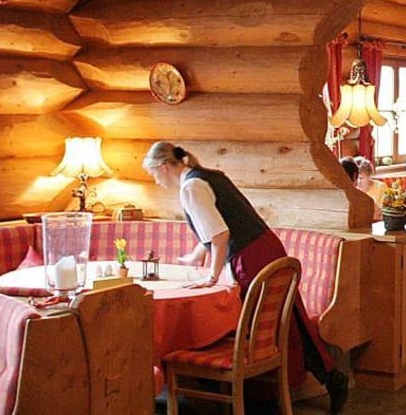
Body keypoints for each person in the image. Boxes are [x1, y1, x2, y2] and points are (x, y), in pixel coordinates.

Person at [142, 142, 349, 414]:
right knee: (286, 323)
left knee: (269, 326)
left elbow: (220, 234)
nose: (156, 181)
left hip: (250, 256)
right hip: (264, 247)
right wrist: (195, 256)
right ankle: (317, 382)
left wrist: (212, 276)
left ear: (164, 167)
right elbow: (216, 227)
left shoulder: (191, 187)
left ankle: (264, 397)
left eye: (154, 174)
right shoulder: (209, 176)